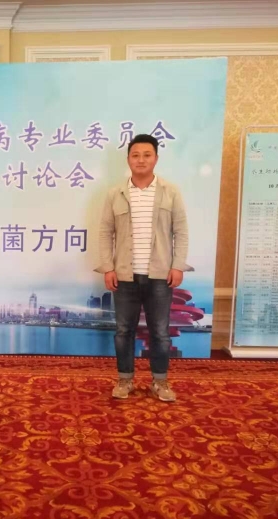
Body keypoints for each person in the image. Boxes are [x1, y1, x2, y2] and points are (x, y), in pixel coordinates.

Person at [96, 134, 189, 402]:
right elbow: (105, 232)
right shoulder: (115, 193)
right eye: (135, 155)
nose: (141, 160)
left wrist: (178, 265)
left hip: (160, 275)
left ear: (156, 158)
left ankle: (160, 382)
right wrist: (108, 267)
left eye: (147, 155)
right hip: (124, 275)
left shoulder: (171, 192)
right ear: (128, 159)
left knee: (160, 332)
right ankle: (125, 380)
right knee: (123, 331)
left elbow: (181, 232)